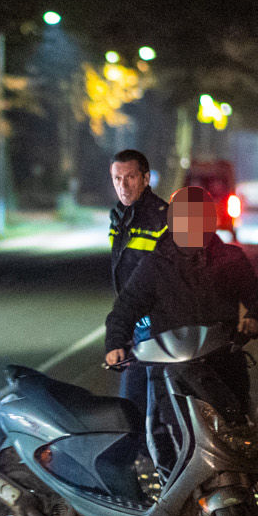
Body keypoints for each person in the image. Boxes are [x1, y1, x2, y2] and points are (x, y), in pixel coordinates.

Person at [104, 185, 258, 516]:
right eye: (183, 219)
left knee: (238, 453)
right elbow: (125, 308)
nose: (190, 226)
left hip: (224, 374)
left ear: (209, 221)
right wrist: (115, 343)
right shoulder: (155, 264)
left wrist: (254, 319)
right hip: (170, 378)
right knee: (168, 449)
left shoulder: (230, 259)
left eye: (198, 219)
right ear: (172, 222)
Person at [108, 149, 169, 411]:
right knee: (133, 407)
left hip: (160, 329)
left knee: (158, 406)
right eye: (117, 178)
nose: (123, 185)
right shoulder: (119, 218)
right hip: (135, 326)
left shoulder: (163, 219)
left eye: (130, 177)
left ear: (146, 178)